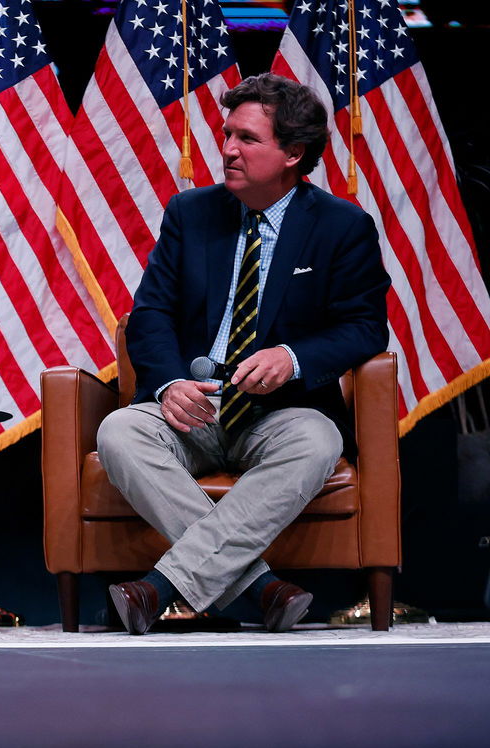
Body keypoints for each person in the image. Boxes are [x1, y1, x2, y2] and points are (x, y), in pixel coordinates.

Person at [96, 73, 391, 635]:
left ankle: (159, 589)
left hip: (281, 412)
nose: (227, 149)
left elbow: (364, 328)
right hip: (193, 407)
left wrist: (294, 357)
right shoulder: (189, 214)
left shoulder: (342, 227)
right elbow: (151, 314)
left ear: (293, 153)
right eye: (227, 134)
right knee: (118, 432)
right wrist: (166, 385)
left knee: (319, 440)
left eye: (247, 139)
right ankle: (260, 590)